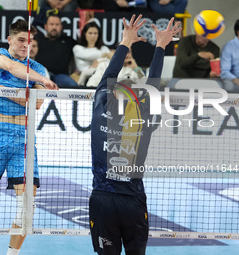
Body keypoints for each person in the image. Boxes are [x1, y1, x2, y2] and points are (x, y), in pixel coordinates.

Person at [0, 19, 57, 255]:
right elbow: (13, 69)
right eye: (21, 40)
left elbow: (33, 104)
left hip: (24, 140)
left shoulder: (38, 69)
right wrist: (37, 84)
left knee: (26, 209)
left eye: (30, 41)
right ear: (10, 40)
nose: (27, 45)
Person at [89, 14, 181, 255]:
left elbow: (109, 74)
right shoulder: (143, 116)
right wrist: (161, 45)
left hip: (102, 200)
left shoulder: (100, 105)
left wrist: (125, 41)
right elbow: (154, 81)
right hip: (131, 201)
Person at [35, 14, 78, 87]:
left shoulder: (68, 41)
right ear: (46, 26)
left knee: (73, 85)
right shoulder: (38, 41)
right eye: (51, 24)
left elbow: (84, 44)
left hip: (60, 76)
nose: (54, 27)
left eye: (57, 24)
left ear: (61, 27)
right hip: (41, 74)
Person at [73, 21, 110, 85]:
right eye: (90, 33)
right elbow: (87, 55)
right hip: (85, 75)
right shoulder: (77, 48)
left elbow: (109, 62)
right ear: (85, 34)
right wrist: (104, 55)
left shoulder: (104, 48)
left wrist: (98, 63)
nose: (93, 36)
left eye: (95, 33)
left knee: (104, 65)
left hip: (102, 74)